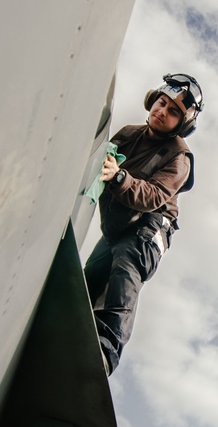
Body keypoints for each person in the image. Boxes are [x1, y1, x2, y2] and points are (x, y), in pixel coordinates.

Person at [84, 73, 202, 374]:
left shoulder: (180, 157)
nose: (162, 111)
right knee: (88, 279)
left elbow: (154, 195)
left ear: (182, 122)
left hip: (150, 227)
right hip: (117, 225)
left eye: (173, 111)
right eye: (162, 103)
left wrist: (119, 176)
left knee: (127, 265)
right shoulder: (128, 134)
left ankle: (105, 351)